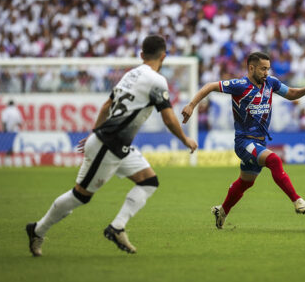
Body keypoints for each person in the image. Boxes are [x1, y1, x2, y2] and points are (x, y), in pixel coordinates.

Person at [25, 35, 198, 256]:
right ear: (164, 56)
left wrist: (94, 132)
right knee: (80, 196)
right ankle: (38, 229)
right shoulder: (157, 81)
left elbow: (107, 105)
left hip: (114, 143)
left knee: (149, 181)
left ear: (141, 55)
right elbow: (168, 118)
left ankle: (117, 227)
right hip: (108, 143)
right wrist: (185, 139)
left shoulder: (130, 75)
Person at [181, 51, 305, 229]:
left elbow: (291, 93)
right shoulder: (239, 85)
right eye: (263, 69)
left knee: (246, 182)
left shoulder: (271, 83)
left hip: (259, 142)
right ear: (251, 68)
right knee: (274, 160)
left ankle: (222, 211)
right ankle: (297, 201)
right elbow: (210, 86)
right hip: (244, 142)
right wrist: (191, 105)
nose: (266, 73)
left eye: (268, 69)